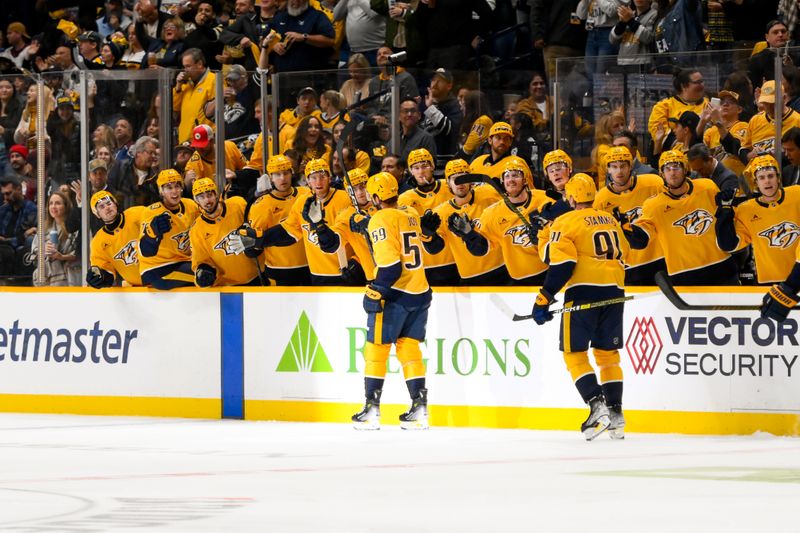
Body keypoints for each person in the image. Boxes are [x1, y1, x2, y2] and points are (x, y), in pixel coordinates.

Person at [534, 172, 628, 440]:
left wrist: (545, 296)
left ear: (571, 197)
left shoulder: (565, 221)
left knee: (574, 355)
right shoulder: (610, 220)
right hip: (615, 290)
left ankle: (597, 406)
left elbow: (561, 263)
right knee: (607, 355)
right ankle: (616, 414)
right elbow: (626, 255)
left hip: (583, 292)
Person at [352, 171, 432, 430]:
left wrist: (375, 290)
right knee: (409, 349)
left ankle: (371, 411)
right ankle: (420, 409)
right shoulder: (409, 213)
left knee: (376, 349)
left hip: (396, 293)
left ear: (375, 197)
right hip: (420, 291)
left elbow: (390, 267)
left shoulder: (379, 218)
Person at [615, 150, 739, 285]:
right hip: (684, 275)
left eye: (676, 167)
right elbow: (641, 241)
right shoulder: (654, 205)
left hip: (722, 267)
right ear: (662, 173)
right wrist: (626, 227)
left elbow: (726, 223)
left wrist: (727, 205)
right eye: (667, 169)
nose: (672, 173)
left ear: (686, 169)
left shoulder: (707, 187)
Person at [240, 158, 353, 285]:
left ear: (330, 178)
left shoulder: (345, 199)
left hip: (346, 271)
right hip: (316, 274)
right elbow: (288, 232)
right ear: (307, 181)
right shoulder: (302, 202)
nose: (318, 182)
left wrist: (357, 263)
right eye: (313, 178)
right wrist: (259, 239)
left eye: (322, 176)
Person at [716, 155, 800, 288]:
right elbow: (728, 245)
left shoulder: (797, 194)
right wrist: (724, 212)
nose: (767, 181)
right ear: (755, 182)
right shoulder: (746, 210)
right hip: (768, 281)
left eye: (770, 176)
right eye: (761, 177)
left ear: (778, 178)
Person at [422, 159, 507, 286]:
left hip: (502, 270)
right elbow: (435, 249)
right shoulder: (441, 213)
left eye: (463, 178)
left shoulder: (490, 193)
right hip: (470, 278)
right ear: (448, 184)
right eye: (454, 179)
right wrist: (428, 236)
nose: (459, 183)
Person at [473, 158, 554, 285]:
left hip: (549, 274)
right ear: (503, 182)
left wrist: (545, 237)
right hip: (517, 282)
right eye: (507, 176)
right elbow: (481, 249)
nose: (511, 180)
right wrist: (469, 236)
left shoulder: (545, 199)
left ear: (525, 179)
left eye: (515, 175)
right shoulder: (491, 214)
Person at [593, 146, 665, 285]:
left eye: (622, 166)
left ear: (630, 166)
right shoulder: (600, 199)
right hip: (629, 267)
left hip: (659, 260)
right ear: (608, 169)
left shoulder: (653, 183)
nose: (619, 171)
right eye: (614, 167)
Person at [246, 154, 311, 285]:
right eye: (277, 174)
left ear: (291, 173)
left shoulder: (306, 194)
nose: (283, 178)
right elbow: (253, 246)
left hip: (311, 266)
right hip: (279, 270)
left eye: (286, 173)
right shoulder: (261, 205)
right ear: (270, 177)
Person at [398, 148, 458, 286]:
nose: (421, 171)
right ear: (410, 171)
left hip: (455, 260)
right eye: (416, 167)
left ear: (432, 166)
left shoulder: (449, 186)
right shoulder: (404, 199)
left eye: (425, 166)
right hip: (425, 264)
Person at [189, 178, 260, 287]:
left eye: (209, 195)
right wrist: (203, 271)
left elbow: (258, 224)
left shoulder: (238, 204)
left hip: (259, 276)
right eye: (201, 197)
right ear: (196, 200)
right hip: (228, 286)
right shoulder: (196, 229)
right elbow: (200, 260)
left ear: (216, 194)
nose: (207, 200)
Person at [138, 168, 200, 289]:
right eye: (169, 187)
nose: (174, 191)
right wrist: (152, 234)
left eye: (177, 186)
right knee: (208, 275)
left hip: (184, 261)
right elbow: (145, 251)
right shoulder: (152, 212)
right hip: (158, 269)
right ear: (161, 191)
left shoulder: (190, 205)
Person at [321, 168, 376, 285]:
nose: (360, 192)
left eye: (362, 186)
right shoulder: (346, 216)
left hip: (399, 272)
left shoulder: (383, 205)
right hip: (373, 276)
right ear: (348, 192)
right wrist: (320, 228)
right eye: (354, 189)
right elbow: (333, 242)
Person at [86, 191, 145, 288]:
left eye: (109, 203)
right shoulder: (98, 241)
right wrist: (99, 278)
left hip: (163, 277)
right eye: (101, 207)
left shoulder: (137, 213)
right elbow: (107, 274)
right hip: (134, 289)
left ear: (116, 204)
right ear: (97, 214)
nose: (107, 207)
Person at [647, 68, 709, 147]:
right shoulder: (663, 107)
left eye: (702, 81)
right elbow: (661, 138)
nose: (702, 85)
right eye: (698, 82)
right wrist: (686, 146)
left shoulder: (709, 105)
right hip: (673, 156)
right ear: (684, 86)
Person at [32, 192, 81, 287]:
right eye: (51, 203)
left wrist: (62, 257)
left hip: (71, 274)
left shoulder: (74, 226)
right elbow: (33, 252)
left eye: (58, 203)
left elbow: (81, 253)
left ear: (66, 206)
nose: (53, 206)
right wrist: (43, 250)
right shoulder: (43, 228)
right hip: (47, 276)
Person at [183, 124, 248, 194]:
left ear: (212, 141)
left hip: (235, 192)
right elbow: (197, 194)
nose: (199, 149)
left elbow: (247, 170)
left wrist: (235, 175)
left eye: (202, 145)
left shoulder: (229, 147)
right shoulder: (193, 164)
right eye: (197, 146)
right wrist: (187, 185)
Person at [172, 48, 216, 143]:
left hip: (203, 141)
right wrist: (178, 87)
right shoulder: (185, 84)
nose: (185, 70)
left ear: (199, 64)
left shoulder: (214, 80)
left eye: (188, 66)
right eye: (184, 67)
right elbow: (174, 108)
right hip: (184, 141)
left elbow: (216, 115)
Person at [421, 68, 463, 157]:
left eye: (439, 81)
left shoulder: (455, 105)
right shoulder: (426, 102)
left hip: (445, 160)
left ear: (449, 86)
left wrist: (431, 108)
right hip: (425, 158)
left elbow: (449, 130)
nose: (434, 84)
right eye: (433, 80)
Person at [398, 97, 437, 163]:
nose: (409, 114)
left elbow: (430, 166)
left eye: (413, 111)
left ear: (419, 115)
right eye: (405, 111)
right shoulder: (395, 139)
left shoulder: (426, 138)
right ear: (399, 116)